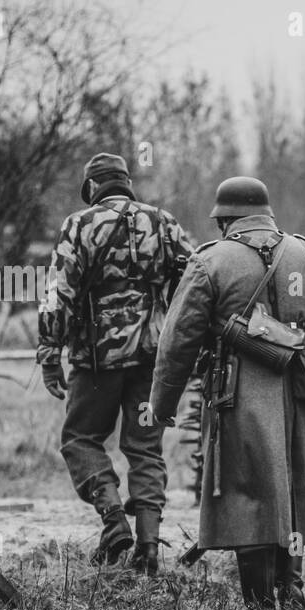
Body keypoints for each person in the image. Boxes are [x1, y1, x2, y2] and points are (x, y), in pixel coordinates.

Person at [149, 177, 305, 610]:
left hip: (241, 389)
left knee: (249, 496)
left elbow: (178, 340)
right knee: (296, 488)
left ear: (224, 218)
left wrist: (162, 402)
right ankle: (292, 585)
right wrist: (298, 330)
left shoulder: (210, 261)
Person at [38, 153, 193, 574]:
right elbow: (196, 281)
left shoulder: (79, 225)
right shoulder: (164, 222)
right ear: (127, 183)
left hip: (96, 361)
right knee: (145, 449)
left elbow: (58, 294)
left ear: (91, 188)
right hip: (152, 360)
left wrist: (50, 353)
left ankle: (112, 521)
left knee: (80, 439)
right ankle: (148, 550)